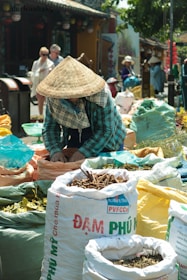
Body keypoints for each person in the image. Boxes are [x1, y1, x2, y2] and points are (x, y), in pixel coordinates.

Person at [36, 56, 126, 162]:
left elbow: (105, 130)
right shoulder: (54, 97)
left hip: (107, 139)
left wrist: (83, 152)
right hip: (76, 136)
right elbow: (50, 128)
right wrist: (55, 151)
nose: (69, 96)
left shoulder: (100, 96)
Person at [31, 46, 54, 116]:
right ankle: (40, 115)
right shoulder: (36, 63)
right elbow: (32, 73)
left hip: (47, 85)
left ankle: (48, 117)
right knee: (40, 101)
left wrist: (50, 72)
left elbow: (53, 75)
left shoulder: (50, 64)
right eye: (44, 55)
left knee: (48, 102)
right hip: (38, 84)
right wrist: (38, 71)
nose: (45, 57)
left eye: (47, 55)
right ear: (40, 54)